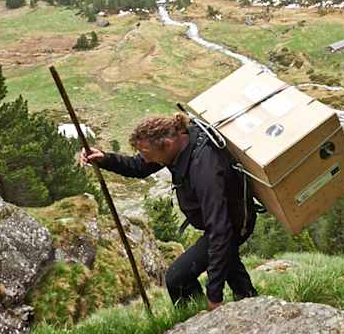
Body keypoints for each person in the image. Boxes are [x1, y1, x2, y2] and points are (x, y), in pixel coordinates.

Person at [79, 114, 258, 310]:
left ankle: (196, 317)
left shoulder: (204, 167)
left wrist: (214, 296)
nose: (144, 158)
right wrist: (105, 159)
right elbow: (139, 167)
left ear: (167, 144)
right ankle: (249, 300)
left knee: (178, 278)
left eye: (145, 152)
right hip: (221, 221)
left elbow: (220, 230)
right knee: (226, 258)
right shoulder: (178, 146)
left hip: (233, 224)